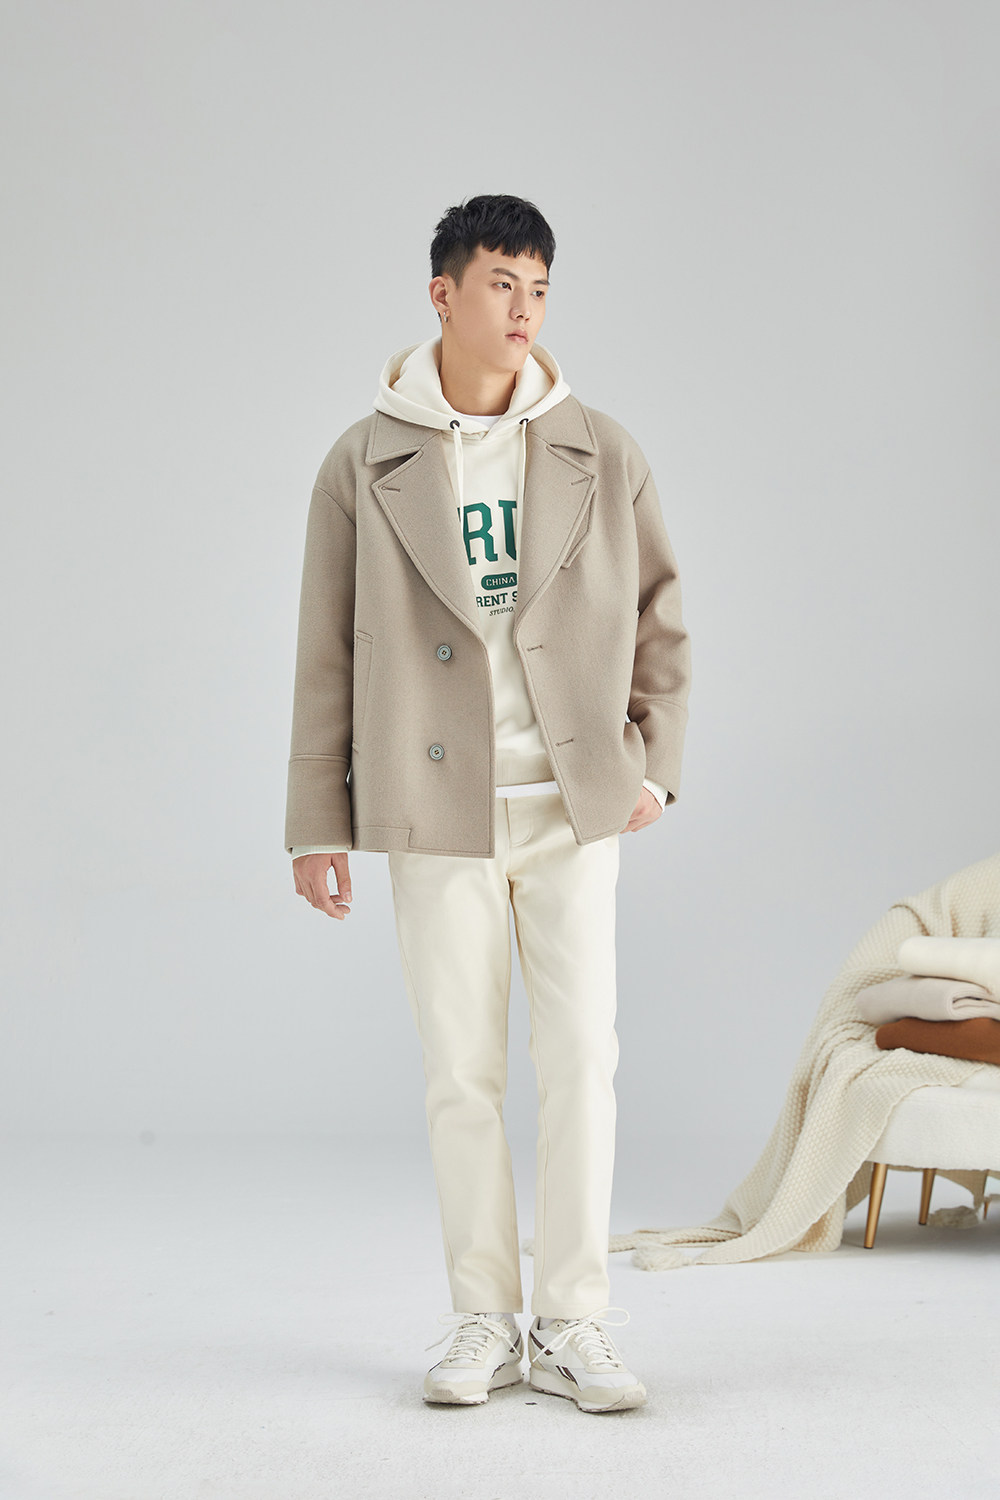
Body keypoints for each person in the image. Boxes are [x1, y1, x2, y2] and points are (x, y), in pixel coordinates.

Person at [284, 194, 691, 1413]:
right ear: (443, 293)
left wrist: (651, 762)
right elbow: (323, 650)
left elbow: (661, 613)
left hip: (573, 804)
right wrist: (317, 820)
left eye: (540, 288)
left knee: (582, 1063)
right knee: (460, 1074)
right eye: (503, 283)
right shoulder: (363, 461)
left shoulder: (598, 447)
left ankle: (573, 1322)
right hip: (434, 804)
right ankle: (481, 1321)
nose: (525, 310)